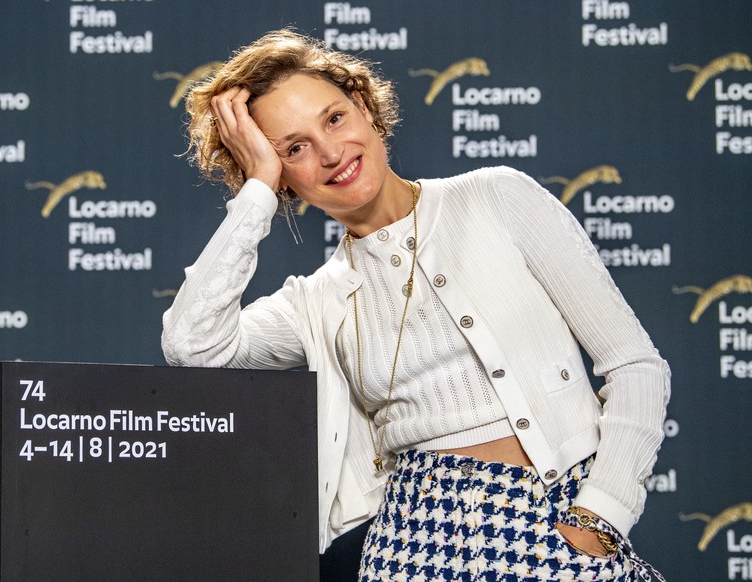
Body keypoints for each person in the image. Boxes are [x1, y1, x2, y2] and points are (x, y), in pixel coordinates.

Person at [161, 29, 670, 581]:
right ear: (285, 178)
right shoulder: (316, 301)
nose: (331, 153)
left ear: (363, 107)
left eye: (334, 118)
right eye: (294, 149)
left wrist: (600, 517)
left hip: (556, 522)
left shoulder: (496, 197)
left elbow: (635, 366)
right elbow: (193, 347)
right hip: (413, 547)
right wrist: (256, 190)